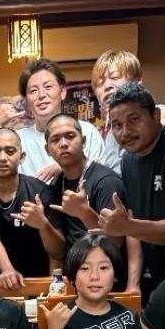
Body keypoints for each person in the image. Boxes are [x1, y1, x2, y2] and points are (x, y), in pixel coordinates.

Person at [97, 83, 165, 299]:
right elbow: (133, 224)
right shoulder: (129, 159)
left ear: (155, 115)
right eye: (117, 125)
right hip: (157, 280)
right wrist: (133, 285)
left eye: (134, 120)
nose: (125, 132)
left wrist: (129, 226)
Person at [43, 113, 135, 291]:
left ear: (83, 141)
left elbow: (114, 243)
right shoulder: (57, 183)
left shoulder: (105, 181)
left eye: (70, 136)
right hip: (74, 279)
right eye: (55, 140)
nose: (63, 143)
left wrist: (84, 212)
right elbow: (58, 249)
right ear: (47, 150)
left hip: (107, 281)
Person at [0, 128, 63, 284]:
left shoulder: (41, 192)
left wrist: (43, 224)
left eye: (10, 151)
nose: (3, 158)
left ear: (22, 157)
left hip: (37, 280)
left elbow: (58, 251)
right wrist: (8, 270)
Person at [89, 49, 165, 173]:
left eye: (114, 77)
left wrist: (145, 112)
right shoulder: (110, 135)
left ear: (138, 83)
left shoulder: (162, 112)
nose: (107, 86)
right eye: (100, 84)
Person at [15, 59, 104, 183]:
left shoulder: (86, 131)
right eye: (33, 91)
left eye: (48, 87)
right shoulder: (18, 140)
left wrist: (66, 166)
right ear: (26, 100)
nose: (41, 95)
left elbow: (100, 175)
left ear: (62, 91)